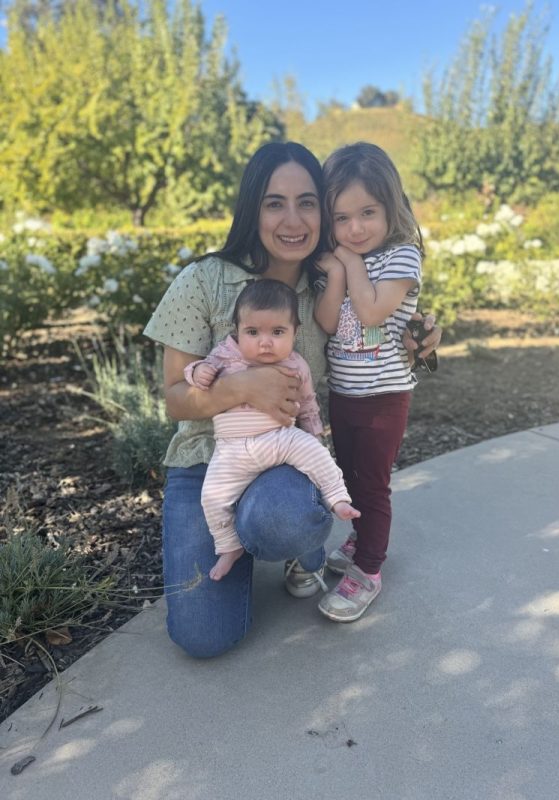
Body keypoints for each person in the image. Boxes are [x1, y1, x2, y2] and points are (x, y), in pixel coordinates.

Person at [144, 141, 441, 658]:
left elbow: (379, 324)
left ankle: (286, 540)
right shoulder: (203, 280)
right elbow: (174, 397)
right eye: (274, 203)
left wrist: (422, 338)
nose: (293, 219)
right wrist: (239, 387)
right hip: (206, 463)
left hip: (282, 457)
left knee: (283, 516)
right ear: (251, 208)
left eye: (307, 202)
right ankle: (249, 536)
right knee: (203, 638)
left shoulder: (326, 284)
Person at [314, 141, 429, 623]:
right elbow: (327, 322)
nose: (355, 229)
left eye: (367, 213)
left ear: (390, 207)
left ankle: (369, 569)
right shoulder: (339, 263)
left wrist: (349, 262)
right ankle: (361, 540)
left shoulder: (402, 256)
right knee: (349, 476)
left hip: (385, 397)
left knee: (374, 484)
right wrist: (338, 273)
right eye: (341, 218)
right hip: (344, 394)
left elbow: (373, 311)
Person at [183, 278, 359, 582]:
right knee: (211, 496)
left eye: (277, 332)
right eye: (253, 332)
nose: (265, 342)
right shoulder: (224, 354)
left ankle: (337, 497)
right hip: (232, 448)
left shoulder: (296, 365)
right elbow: (195, 371)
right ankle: (229, 545)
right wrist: (198, 371)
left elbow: (308, 405)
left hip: (279, 438)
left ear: (294, 333)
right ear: (237, 331)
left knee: (315, 453)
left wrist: (314, 435)